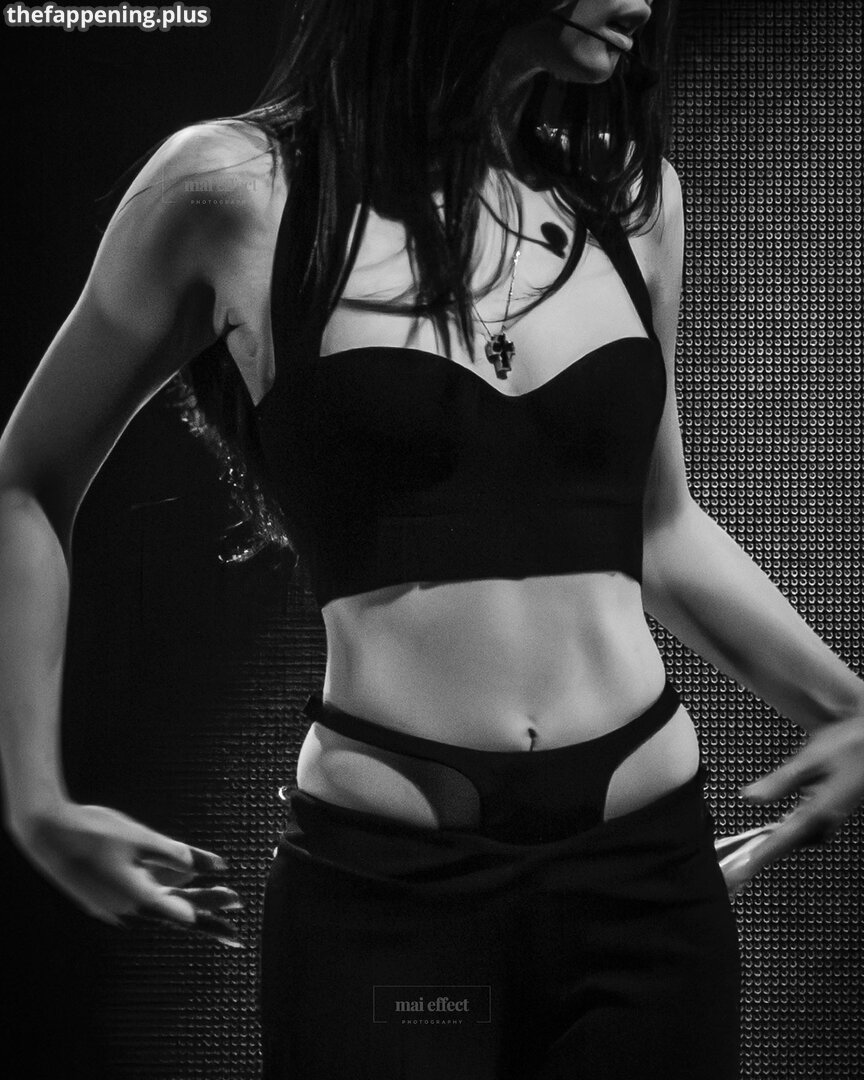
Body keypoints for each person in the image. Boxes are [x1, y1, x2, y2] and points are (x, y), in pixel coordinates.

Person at [0, 1, 862, 1077]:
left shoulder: (629, 199)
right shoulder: (231, 191)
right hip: (388, 894)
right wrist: (34, 800)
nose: (641, 2)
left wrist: (848, 706)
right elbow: (27, 479)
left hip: (646, 884)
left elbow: (656, 525)